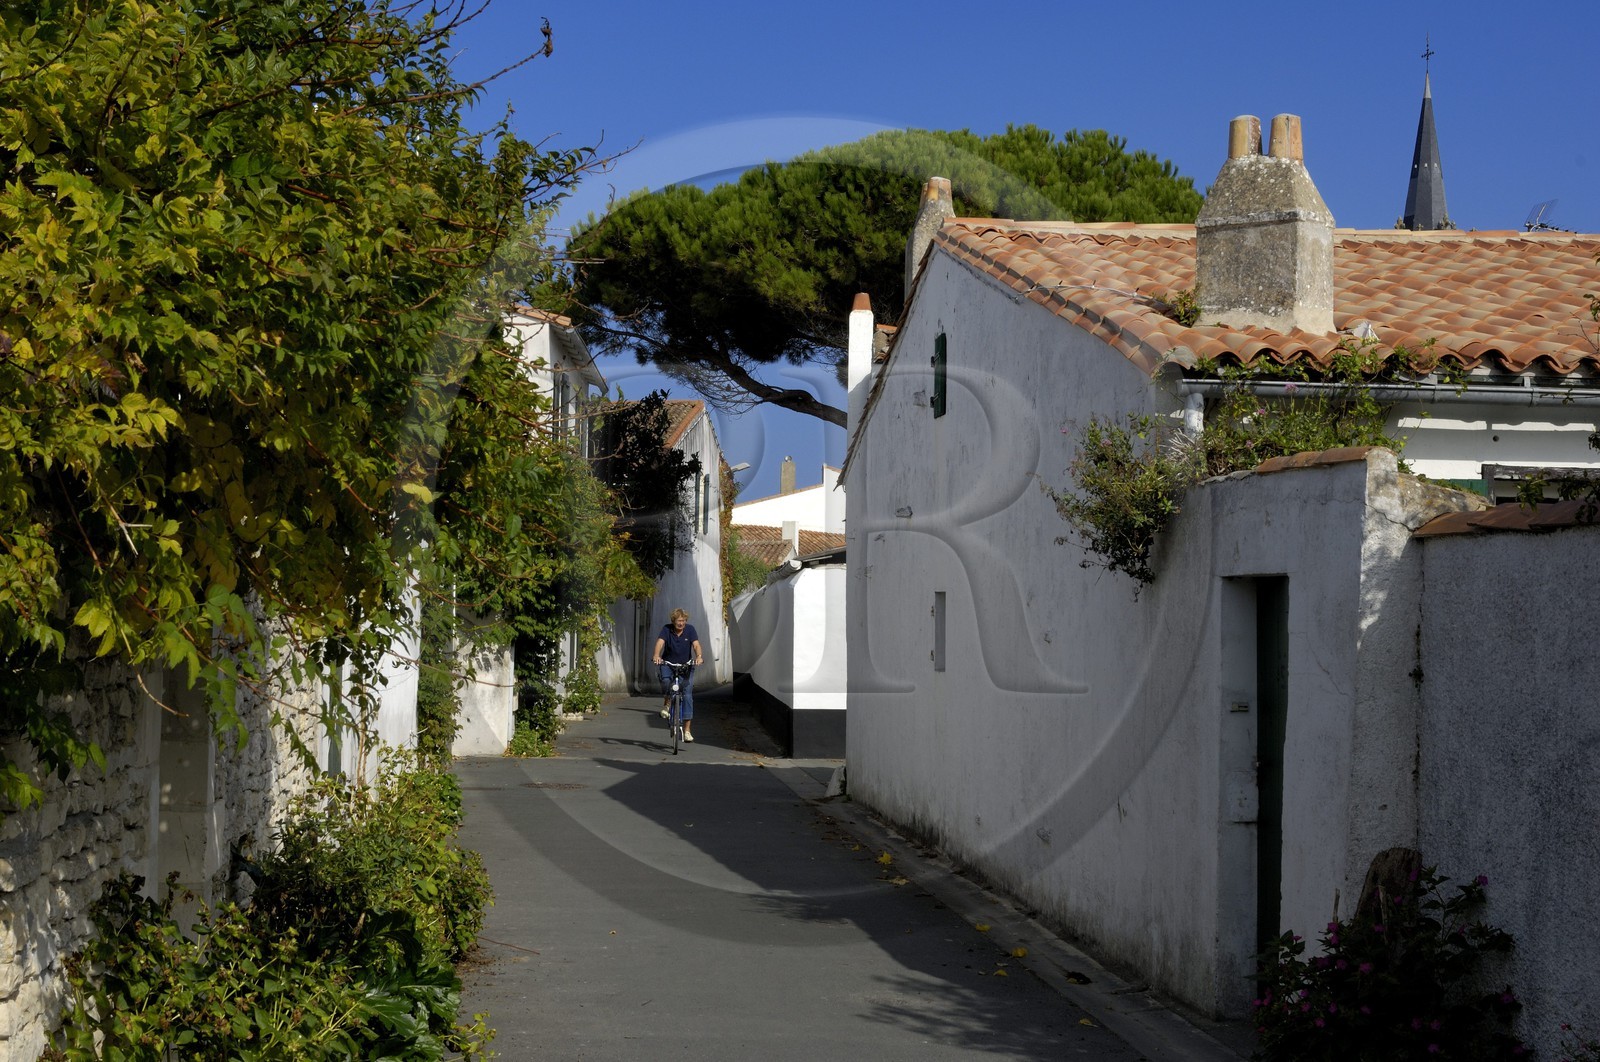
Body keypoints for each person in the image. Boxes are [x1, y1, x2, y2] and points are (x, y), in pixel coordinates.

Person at [652, 608, 704, 742]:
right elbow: (660, 642)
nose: (681, 623)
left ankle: (687, 731)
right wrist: (657, 655)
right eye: (678, 621)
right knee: (665, 681)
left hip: (685, 666)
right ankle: (668, 703)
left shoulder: (690, 630)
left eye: (683, 621)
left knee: (687, 695)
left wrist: (698, 656)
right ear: (673, 621)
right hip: (668, 663)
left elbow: (696, 645)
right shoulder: (666, 629)